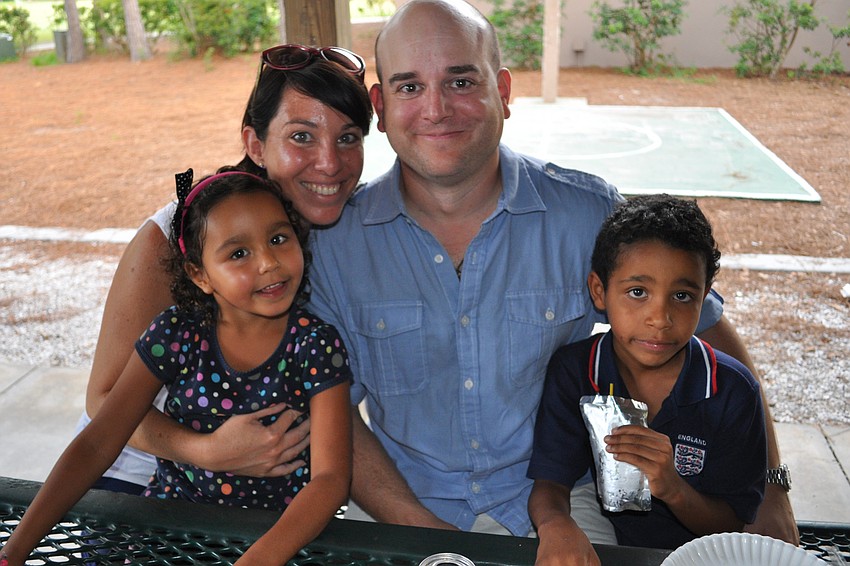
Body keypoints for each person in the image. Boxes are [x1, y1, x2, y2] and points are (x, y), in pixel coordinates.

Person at [306, 0, 797, 544]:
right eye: (410, 87)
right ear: (380, 106)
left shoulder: (585, 214)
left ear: (503, 92)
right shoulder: (335, 244)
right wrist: (427, 535)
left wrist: (770, 488)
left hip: (558, 500)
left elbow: (708, 333)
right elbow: (333, 413)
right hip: (399, 505)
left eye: (461, 82)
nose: (436, 109)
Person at [0, 170, 353, 566]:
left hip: (282, 541)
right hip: (176, 534)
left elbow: (330, 480)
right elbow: (98, 443)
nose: (269, 262)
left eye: (278, 239)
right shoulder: (175, 334)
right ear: (200, 275)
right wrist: (14, 551)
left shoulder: (316, 345)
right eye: (239, 253)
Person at [73, 44, 373, 495]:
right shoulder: (179, 235)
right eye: (302, 137)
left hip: (272, 496)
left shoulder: (353, 231)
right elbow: (102, 401)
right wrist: (206, 451)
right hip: (143, 480)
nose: (329, 163)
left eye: (347, 138)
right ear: (256, 144)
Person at [527, 194, 767, 565]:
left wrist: (673, 487)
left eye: (682, 296)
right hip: (607, 545)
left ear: (704, 297)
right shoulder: (576, 371)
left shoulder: (732, 392)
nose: (660, 318)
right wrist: (555, 524)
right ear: (599, 291)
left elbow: (732, 523)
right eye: (638, 292)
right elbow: (551, 483)